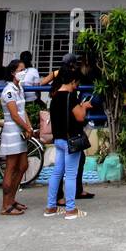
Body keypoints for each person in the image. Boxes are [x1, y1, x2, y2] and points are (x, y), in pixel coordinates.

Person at [44, 63, 89, 219]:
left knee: (57, 173)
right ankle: (70, 209)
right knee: (70, 175)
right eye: (76, 83)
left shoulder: (55, 96)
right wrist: (84, 106)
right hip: (71, 141)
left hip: (59, 140)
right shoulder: (71, 97)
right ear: (72, 81)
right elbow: (80, 117)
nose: (76, 86)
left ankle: (51, 207)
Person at [0, 61, 33, 216]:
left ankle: (12, 199)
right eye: (21, 70)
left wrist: (29, 127)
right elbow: (14, 114)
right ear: (13, 72)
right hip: (12, 133)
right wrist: (26, 127)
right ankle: (6, 205)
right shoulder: (9, 91)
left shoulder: (20, 89)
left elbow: (22, 111)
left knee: (23, 166)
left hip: (21, 133)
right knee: (11, 168)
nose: (23, 72)